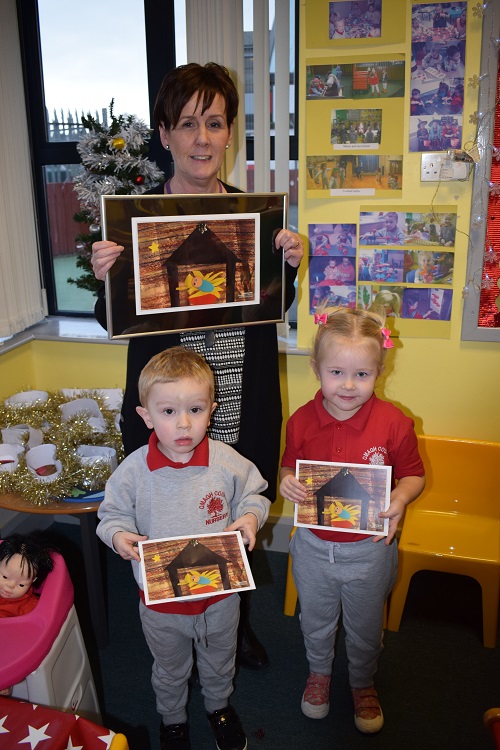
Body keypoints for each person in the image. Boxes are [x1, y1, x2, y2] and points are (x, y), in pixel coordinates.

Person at [91, 62, 303, 671]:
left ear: (230, 132)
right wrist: (109, 276)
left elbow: (271, 306)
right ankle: (169, 632)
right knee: (171, 520)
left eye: (214, 123)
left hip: (238, 398)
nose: (202, 138)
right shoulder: (134, 222)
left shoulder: (253, 217)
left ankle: (232, 627)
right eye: (187, 124)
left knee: (232, 516)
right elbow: (112, 321)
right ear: (165, 134)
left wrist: (289, 263)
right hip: (167, 412)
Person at [97, 347, 270, 750]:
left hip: (220, 598)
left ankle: (218, 707)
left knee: (218, 661)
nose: (184, 424)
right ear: (146, 416)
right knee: (170, 669)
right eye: (169, 412)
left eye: (195, 409)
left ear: (212, 408)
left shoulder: (227, 461)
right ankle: (172, 719)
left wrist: (249, 518)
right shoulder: (134, 471)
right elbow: (112, 516)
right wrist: (119, 536)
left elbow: (255, 494)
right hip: (160, 605)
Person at [279, 307, 425, 734]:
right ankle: (319, 675)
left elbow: (415, 474)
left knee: (364, 627)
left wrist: (400, 496)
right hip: (312, 547)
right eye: (337, 371)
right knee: (316, 620)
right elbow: (289, 467)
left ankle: (362, 681)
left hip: (369, 550)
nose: (347, 385)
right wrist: (287, 482)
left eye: (362, 374)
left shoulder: (395, 423)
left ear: (380, 371)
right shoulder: (302, 421)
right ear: (316, 369)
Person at [0, 534, 56, 695]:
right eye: (4, 577)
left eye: (21, 584)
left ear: (33, 580)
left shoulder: (30, 606)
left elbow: (27, 641)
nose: (10, 586)